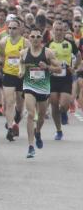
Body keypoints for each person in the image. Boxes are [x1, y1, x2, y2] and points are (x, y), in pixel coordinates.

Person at [21, 26, 60, 158]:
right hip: (29, 86)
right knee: (31, 114)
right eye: (33, 36)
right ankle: (30, 146)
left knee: (41, 117)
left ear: (41, 39)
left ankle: (37, 132)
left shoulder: (48, 52)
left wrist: (47, 67)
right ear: (29, 38)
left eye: (38, 37)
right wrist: (21, 71)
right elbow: (21, 63)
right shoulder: (24, 53)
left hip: (43, 88)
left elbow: (59, 68)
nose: (35, 39)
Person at [48, 20, 77, 141]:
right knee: (54, 104)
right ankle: (59, 130)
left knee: (64, 103)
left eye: (61, 30)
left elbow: (79, 56)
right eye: (57, 30)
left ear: (64, 31)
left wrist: (74, 67)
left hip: (66, 78)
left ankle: (64, 112)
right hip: (53, 78)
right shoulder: (48, 45)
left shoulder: (70, 43)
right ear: (53, 31)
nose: (59, 32)